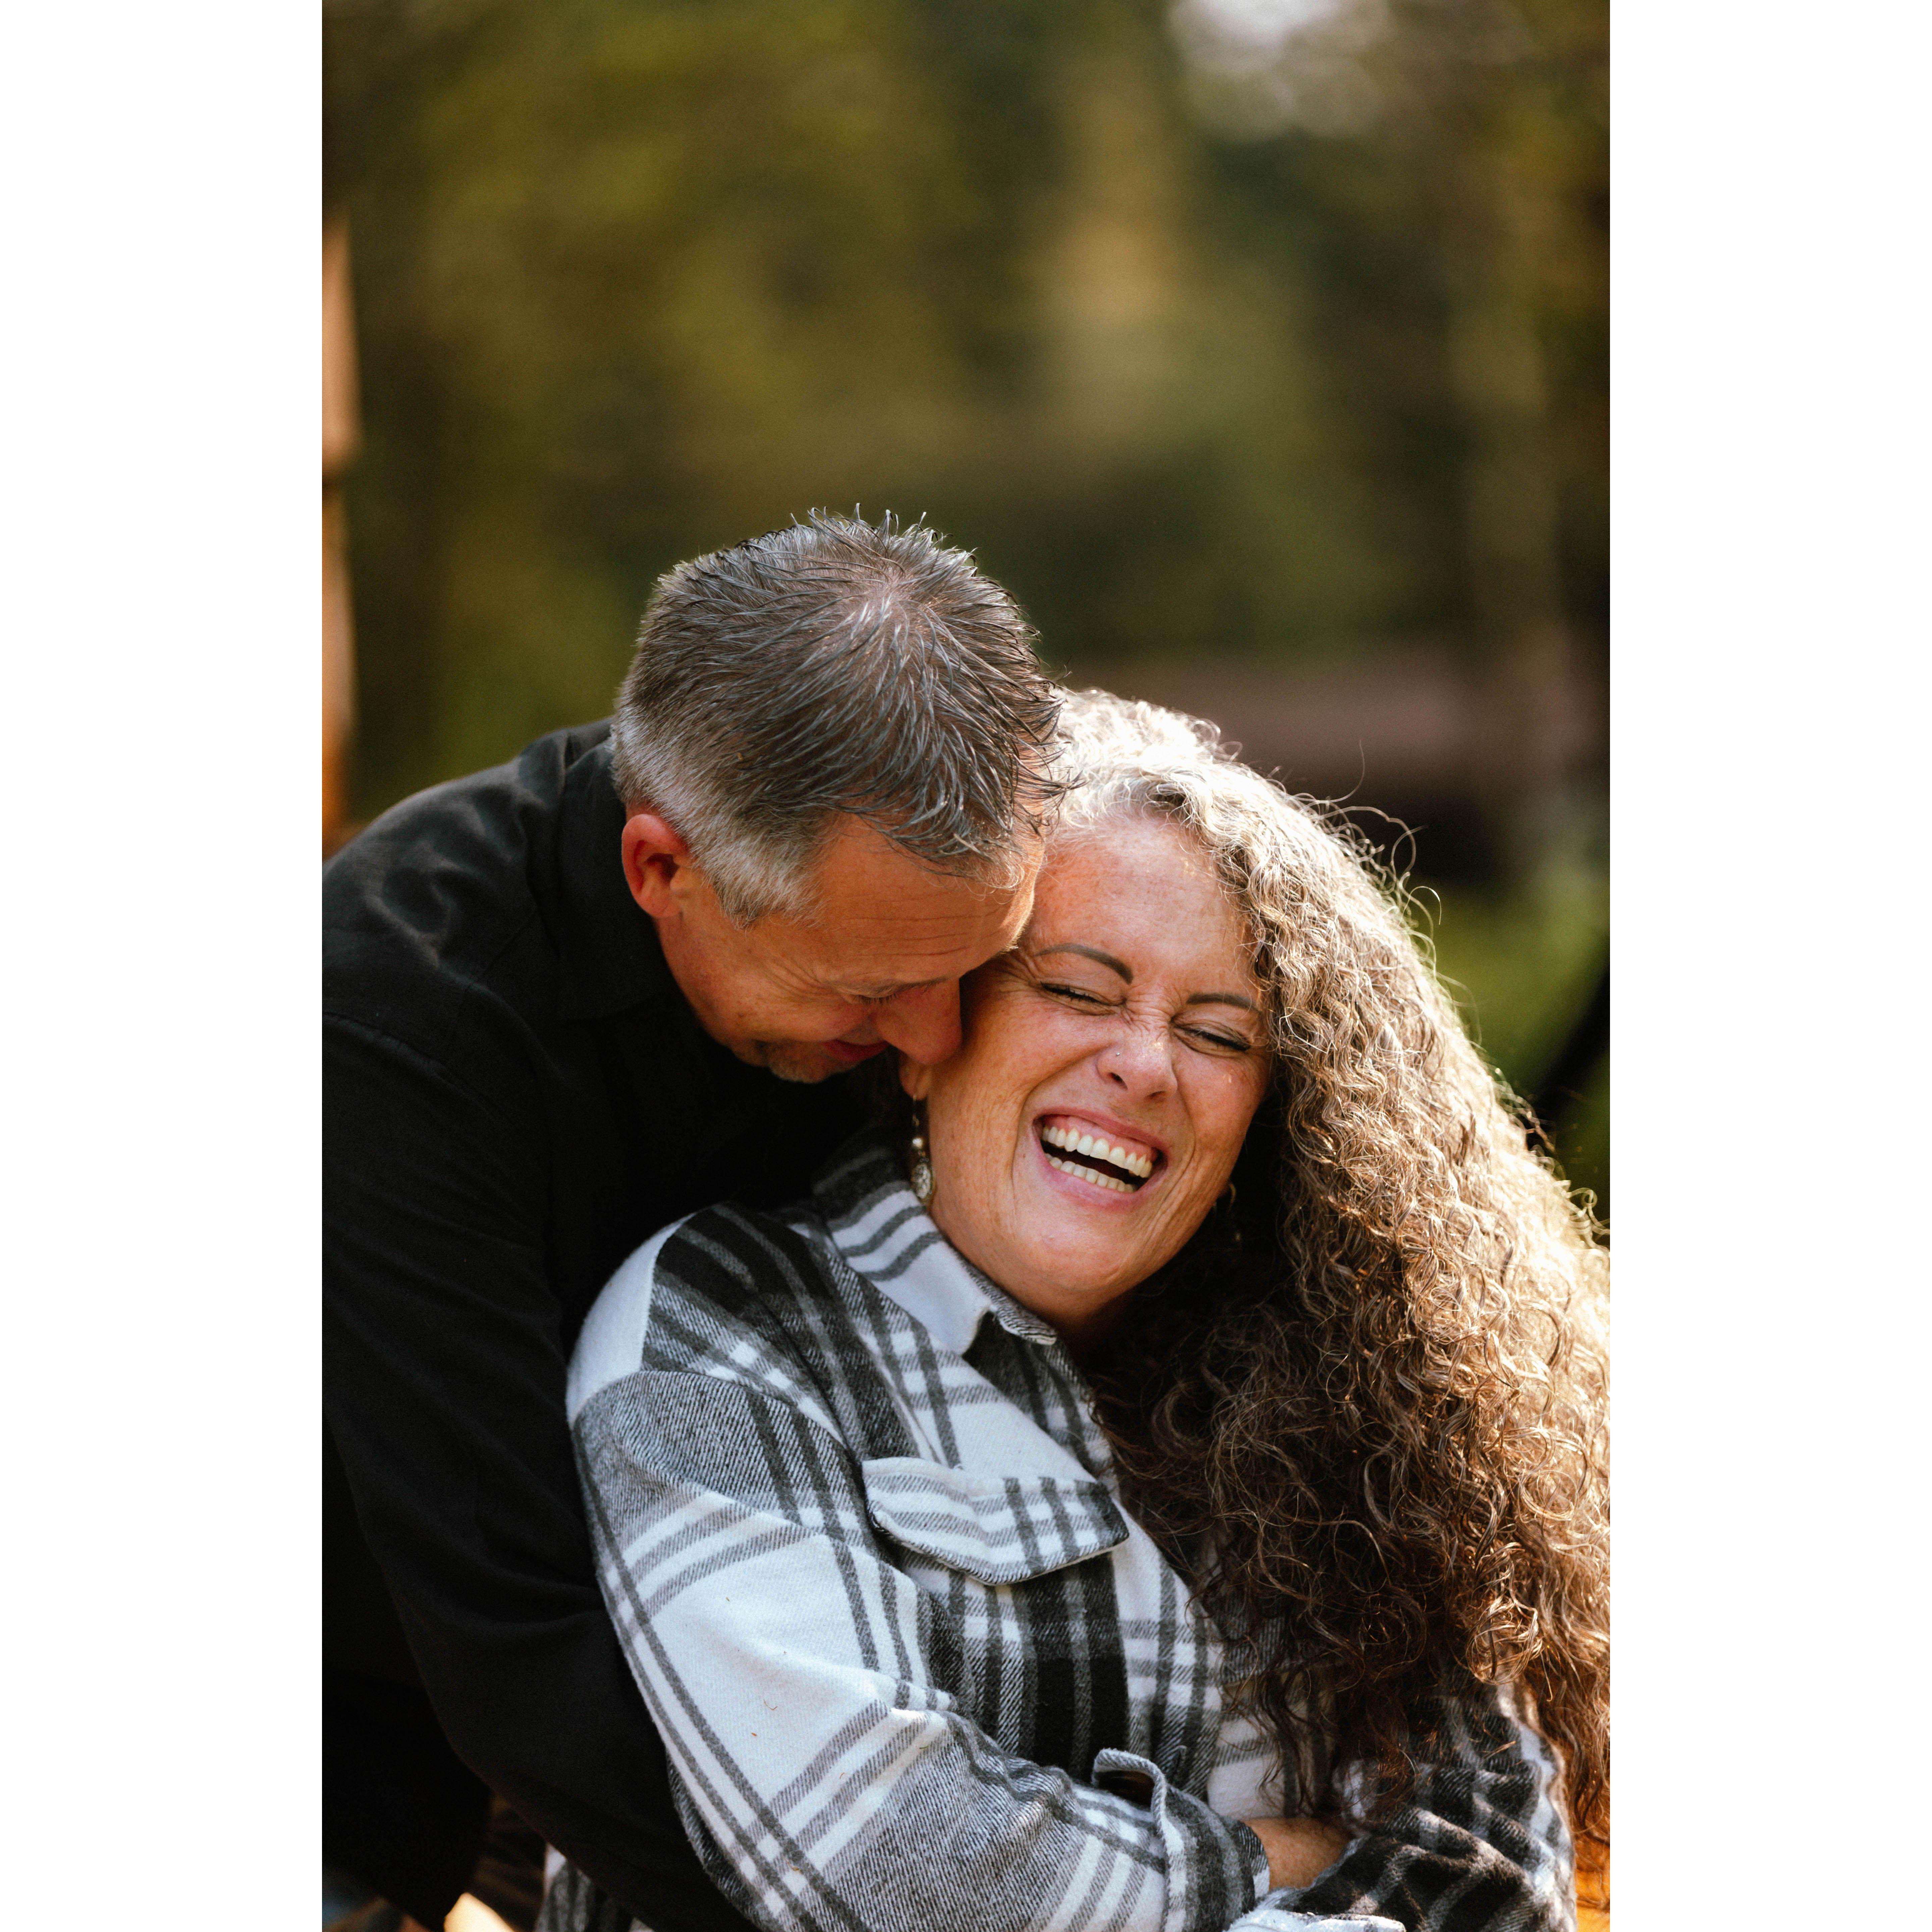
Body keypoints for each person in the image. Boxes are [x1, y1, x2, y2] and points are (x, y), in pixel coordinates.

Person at [543, 690, 1609, 1932]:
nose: (1146, 1064)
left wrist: (1062, 1860)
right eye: (1082, 990)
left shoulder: (1365, 1389)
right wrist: (1282, 1858)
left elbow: (1496, 1872)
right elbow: (890, 1867)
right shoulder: (719, 1331)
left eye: (1218, 1035)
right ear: (931, 1023)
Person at [324, 514, 1064, 1931]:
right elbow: (515, 1635)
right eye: (869, 991)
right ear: (661, 869)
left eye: (979, 967)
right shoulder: (388, 1027)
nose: (935, 1044)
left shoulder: (876, 919)